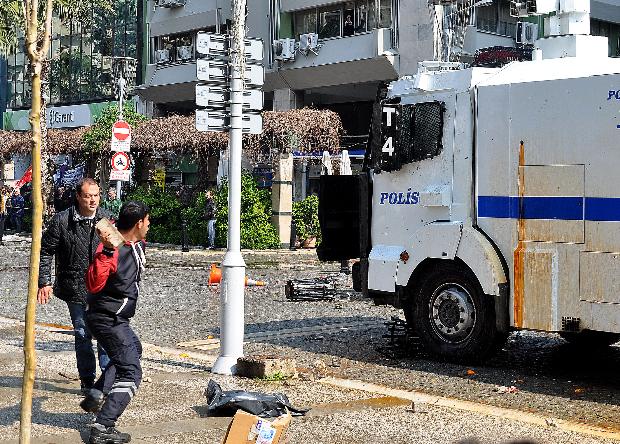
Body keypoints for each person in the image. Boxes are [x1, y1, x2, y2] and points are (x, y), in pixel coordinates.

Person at [81, 201, 149, 444]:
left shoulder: (132, 241)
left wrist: (107, 223)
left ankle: (96, 393)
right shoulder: (111, 249)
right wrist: (108, 251)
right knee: (131, 371)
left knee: (134, 350)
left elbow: (111, 223)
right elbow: (93, 284)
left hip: (117, 318)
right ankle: (103, 426)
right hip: (106, 318)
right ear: (139, 223)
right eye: (147, 221)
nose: (149, 225)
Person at [38, 178, 111, 394]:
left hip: (103, 287)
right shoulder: (62, 221)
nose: (92, 200)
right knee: (82, 333)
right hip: (74, 285)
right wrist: (45, 282)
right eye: (88, 196)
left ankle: (107, 379)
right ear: (78, 197)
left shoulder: (105, 219)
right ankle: (87, 379)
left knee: (106, 333)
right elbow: (45, 251)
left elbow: (118, 250)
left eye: (96, 195)